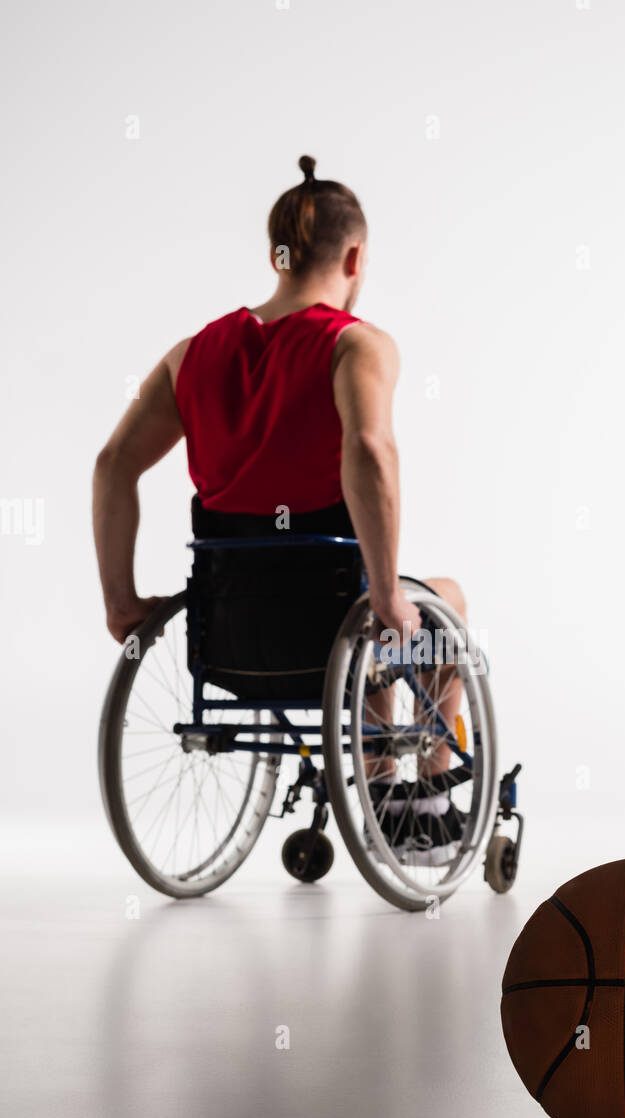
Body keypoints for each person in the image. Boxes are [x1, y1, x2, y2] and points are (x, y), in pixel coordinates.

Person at [92, 155, 466, 859]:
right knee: (437, 600)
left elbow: (113, 465)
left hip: (230, 632)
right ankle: (419, 793)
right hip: (332, 620)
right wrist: (387, 593)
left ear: (276, 255)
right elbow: (370, 450)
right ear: (355, 256)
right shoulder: (355, 344)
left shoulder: (191, 354)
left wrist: (120, 601)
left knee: (359, 600)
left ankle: (384, 765)